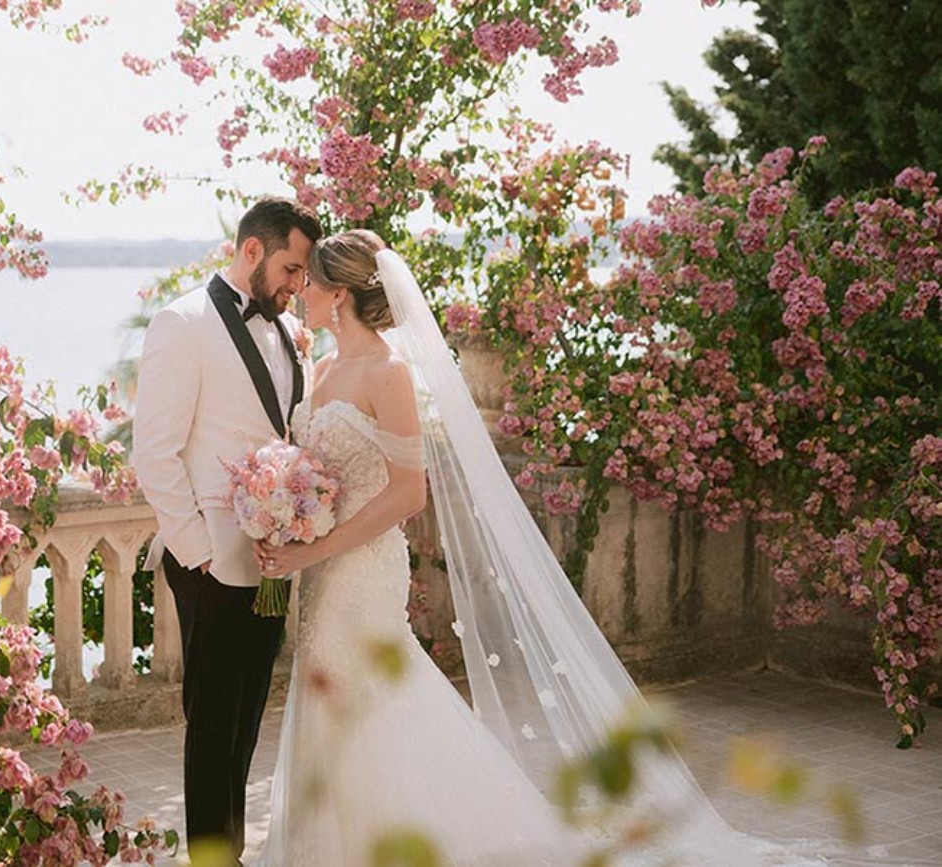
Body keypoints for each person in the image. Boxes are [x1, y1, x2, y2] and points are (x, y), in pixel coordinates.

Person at [252, 230, 842, 866]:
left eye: (308, 281)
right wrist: (285, 511)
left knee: (372, 703)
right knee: (325, 699)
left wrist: (314, 549)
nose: (299, 291)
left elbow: (407, 494)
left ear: (338, 293)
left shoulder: (387, 374)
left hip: (360, 571)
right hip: (319, 572)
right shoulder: (318, 368)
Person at [131, 196, 322, 867]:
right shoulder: (181, 322)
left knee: (246, 719)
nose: (299, 285)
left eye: (303, 276)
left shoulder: (285, 331)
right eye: (292, 269)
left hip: (272, 555)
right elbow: (153, 451)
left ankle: (231, 853)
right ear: (252, 251)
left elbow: (284, 431)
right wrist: (202, 553)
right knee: (213, 723)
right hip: (211, 558)